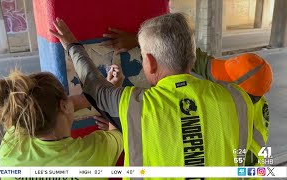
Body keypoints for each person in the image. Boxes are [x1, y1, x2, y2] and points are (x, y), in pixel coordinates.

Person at [50, 12, 255, 173]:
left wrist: (71, 46)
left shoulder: (135, 106)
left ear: (150, 62)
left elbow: (94, 86)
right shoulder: (238, 98)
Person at [100, 22, 273, 166]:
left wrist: (118, 124)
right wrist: (144, 43)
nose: (214, 77)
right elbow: (196, 60)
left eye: (222, 78)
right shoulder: (244, 95)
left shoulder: (241, 129)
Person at [0, 69, 123, 180]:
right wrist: (109, 94)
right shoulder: (93, 155)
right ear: (63, 105)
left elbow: (52, 108)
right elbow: (118, 129)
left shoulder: (10, 147)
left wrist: (93, 97)